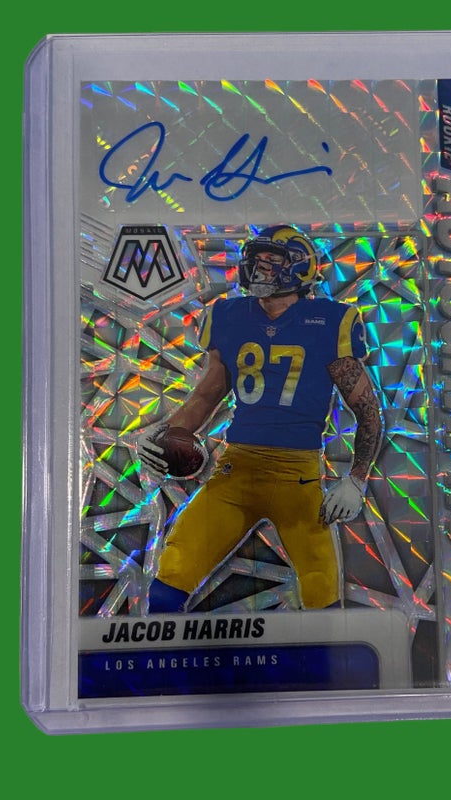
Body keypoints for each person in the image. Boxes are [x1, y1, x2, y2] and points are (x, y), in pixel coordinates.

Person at [138, 225, 383, 613]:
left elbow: (368, 411)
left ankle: (329, 655)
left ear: (300, 268)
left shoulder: (330, 320)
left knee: (322, 593)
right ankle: (156, 650)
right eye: (256, 259)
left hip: (298, 478)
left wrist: (356, 478)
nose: (259, 268)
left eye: (272, 261)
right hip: (237, 471)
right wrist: (166, 431)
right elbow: (206, 394)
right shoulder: (229, 315)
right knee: (173, 570)